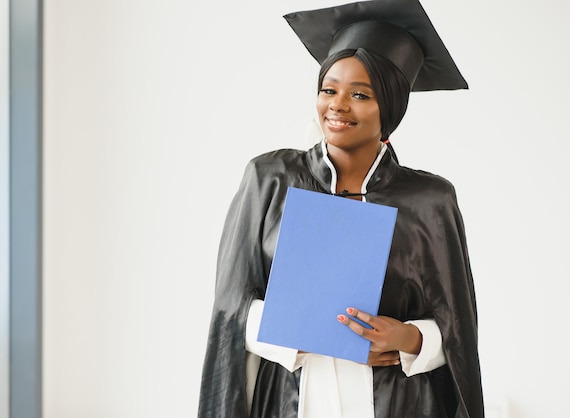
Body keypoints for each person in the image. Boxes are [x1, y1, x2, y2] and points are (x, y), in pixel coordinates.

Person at [198, 0, 484, 417]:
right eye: (328, 89)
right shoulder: (271, 178)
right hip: (296, 396)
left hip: (397, 402)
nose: (338, 105)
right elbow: (232, 309)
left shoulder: (430, 199)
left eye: (361, 94)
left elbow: (457, 328)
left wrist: (408, 339)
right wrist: (322, 335)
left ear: (391, 106)